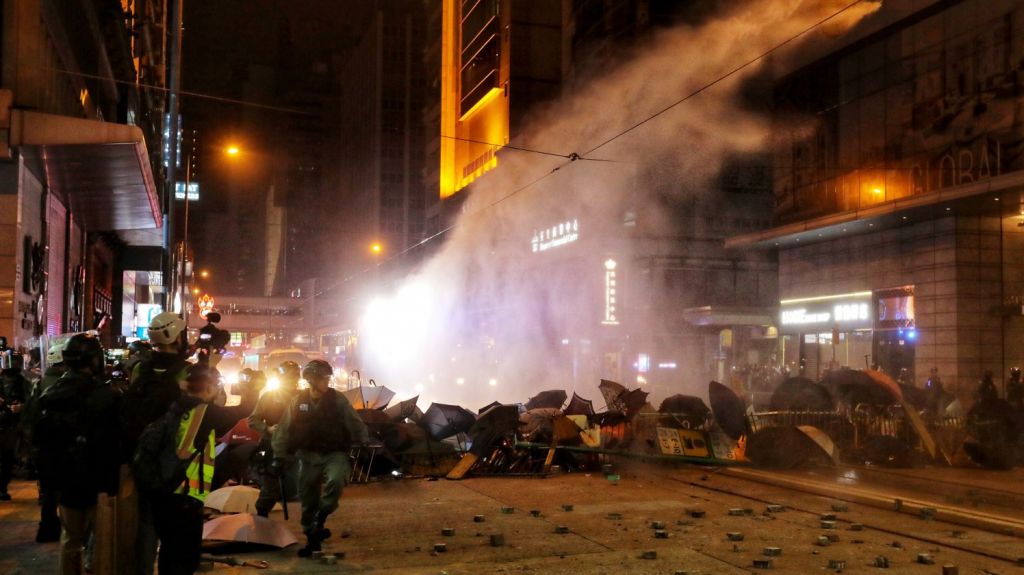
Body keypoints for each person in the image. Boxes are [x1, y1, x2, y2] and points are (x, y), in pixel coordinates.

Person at [150, 365, 252, 575]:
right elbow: (245, 410)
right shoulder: (206, 412)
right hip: (185, 494)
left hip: (162, 491)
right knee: (186, 558)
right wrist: (252, 387)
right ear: (208, 387)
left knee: (169, 552)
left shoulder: (174, 406)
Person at [34, 333, 120, 575]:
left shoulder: (50, 394)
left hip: (64, 480)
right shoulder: (103, 396)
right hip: (98, 481)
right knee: (101, 541)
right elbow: (114, 440)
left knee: (71, 539)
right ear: (94, 360)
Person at [273, 360, 368, 557]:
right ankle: (312, 536)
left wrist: (364, 441)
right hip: (308, 456)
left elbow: (354, 421)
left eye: (327, 378)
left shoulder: (337, 399)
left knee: (336, 481)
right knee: (307, 497)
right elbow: (283, 430)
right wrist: (279, 457)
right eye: (323, 378)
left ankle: (322, 515)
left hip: (335, 453)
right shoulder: (298, 402)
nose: (327, 382)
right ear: (311, 380)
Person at [124, 312, 191, 575]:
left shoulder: (140, 368)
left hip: (144, 457)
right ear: (177, 337)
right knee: (179, 531)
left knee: (147, 525)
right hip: (180, 461)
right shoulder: (190, 371)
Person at [24, 339, 71, 541]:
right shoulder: (69, 384)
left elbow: (29, 416)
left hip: (44, 446)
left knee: (49, 491)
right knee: (68, 491)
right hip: (65, 445)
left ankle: (47, 529)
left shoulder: (39, 383)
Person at [248, 361, 300, 516]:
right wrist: (268, 429)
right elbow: (253, 420)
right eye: (290, 377)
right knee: (271, 487)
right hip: (274, 448)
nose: (293, 380)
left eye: (295, 377)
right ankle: (261, 518)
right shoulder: (269, 397)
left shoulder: (303, 397)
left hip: (298, 448)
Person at [1, 349, 28, 501]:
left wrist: (21, 407)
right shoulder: (22, 381)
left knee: (7, 458)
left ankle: (2, 487)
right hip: (8, 424)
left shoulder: (23, 382)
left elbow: (30, 401)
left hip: (12, 425)